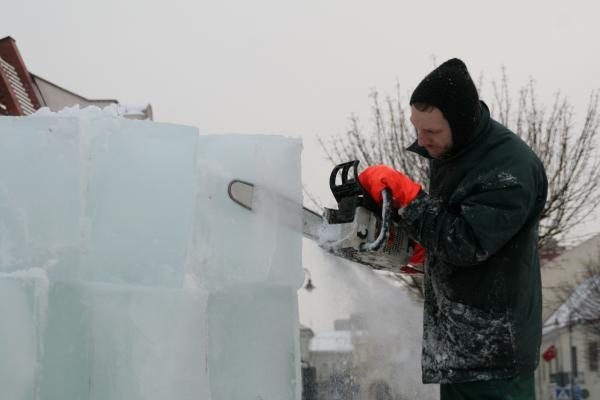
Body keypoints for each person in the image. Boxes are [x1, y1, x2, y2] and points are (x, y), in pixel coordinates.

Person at [358, 58, 548, 400]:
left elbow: (467, 242)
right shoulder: (457, 153)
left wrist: (410, 199)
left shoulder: (508, 168)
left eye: (432, 132)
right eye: (417, 129)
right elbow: (454, 228)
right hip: (461, 346)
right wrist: (420, 248)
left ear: (461, 124)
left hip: (494, 353)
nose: (422, 140)